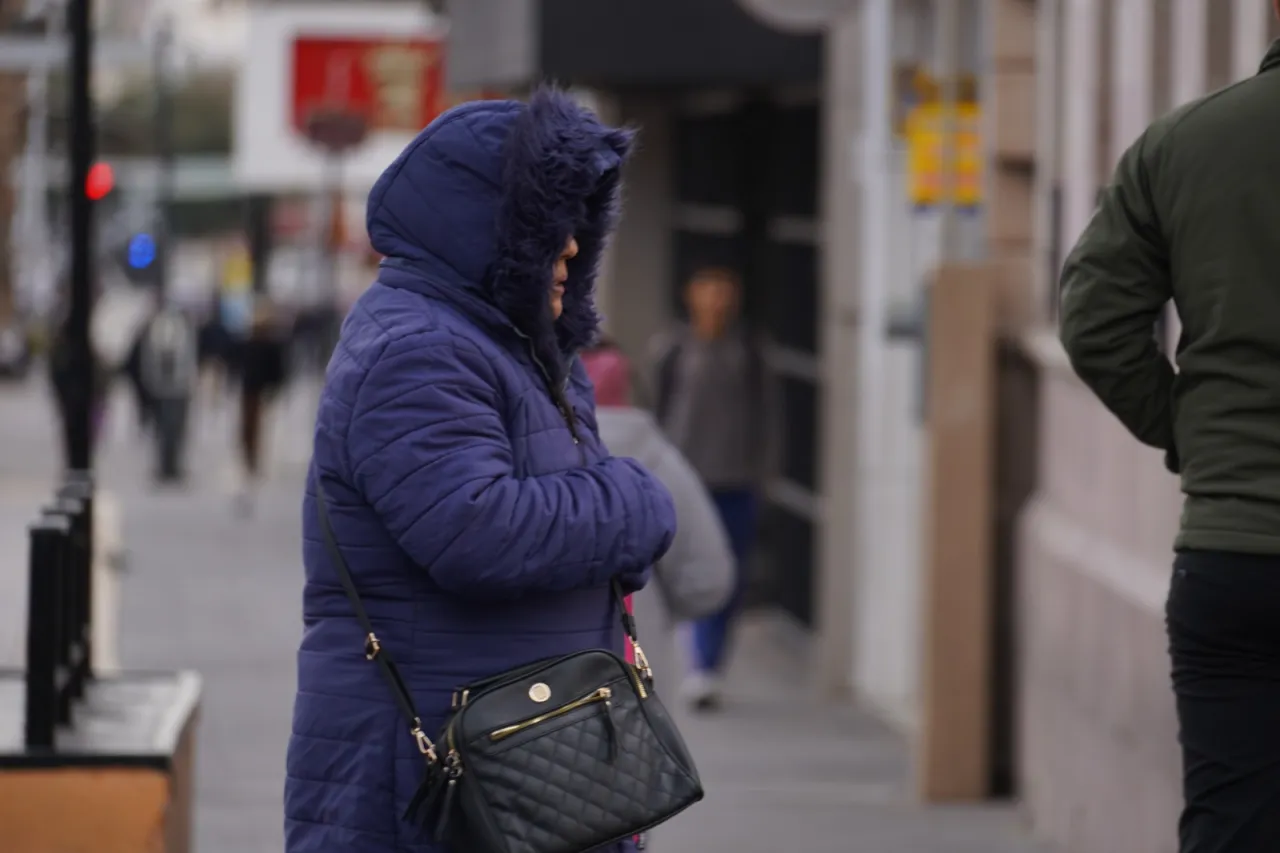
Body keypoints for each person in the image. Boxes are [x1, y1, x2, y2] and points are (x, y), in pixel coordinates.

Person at [285, 88, 677, 853]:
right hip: (433, 782)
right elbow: (479, 532)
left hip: (525, 769)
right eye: (552, 223)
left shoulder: (523, 349)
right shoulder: (416, 349)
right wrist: (640, 501)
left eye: (579, 224)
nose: (571, 247)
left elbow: (561, 532)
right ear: (495, 226)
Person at [1058, 21, 1280, 853]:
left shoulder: (1185, 143)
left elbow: (1094, 324)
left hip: (1233, 555)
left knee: (1233, 820)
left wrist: (1195, 435)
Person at [650, 266, 774, 711]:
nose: (717, 302)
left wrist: (764, 473)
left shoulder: (749, 349)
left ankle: (708, 665)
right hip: (686, 478)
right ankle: (688, 656)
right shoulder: (674, 348)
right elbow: (657, 412)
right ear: (691, 295)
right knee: (681, 568)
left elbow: (766, 415)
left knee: (729, 573)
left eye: (726, 292)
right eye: (709, 291)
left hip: (735, 479)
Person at [581, 338, 735, 680]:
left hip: (528, 698)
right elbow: (706, 579)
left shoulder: (510, 460)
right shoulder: (658, 463)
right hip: (636, 684)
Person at [235, 299, 287, 513]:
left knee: (260, 428)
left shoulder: (269, 343)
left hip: (260, 391)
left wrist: (274, 389)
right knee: (248, 428)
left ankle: (256, 459)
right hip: (249, 391)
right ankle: (250, 458)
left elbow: (277, 370)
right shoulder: (251, 342)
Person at [138, 301, 198, 483]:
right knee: (166, 429)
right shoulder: (159, 330)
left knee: (175, 429)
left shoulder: (182, 331)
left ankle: (172, 465)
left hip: (177, 387)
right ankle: (166, 466)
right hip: (165, 388)